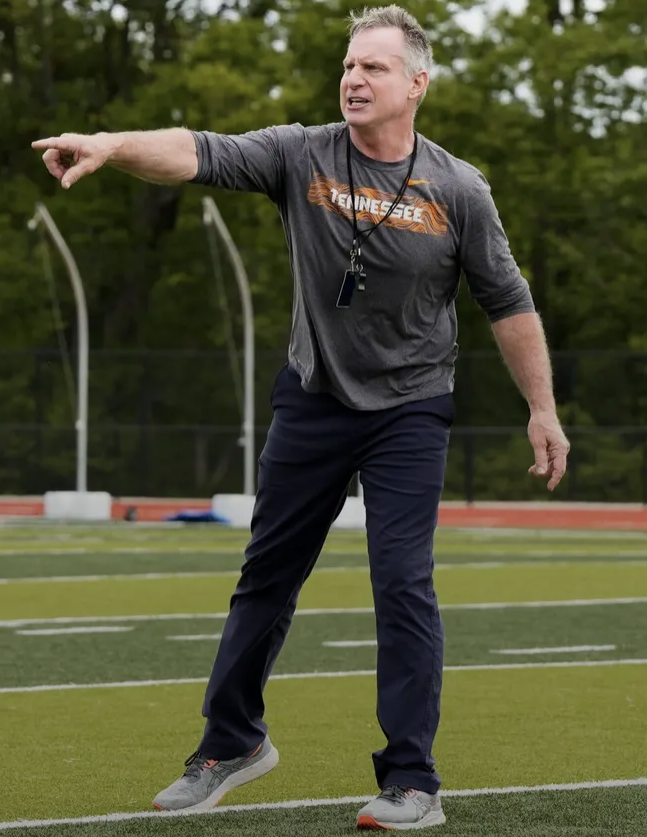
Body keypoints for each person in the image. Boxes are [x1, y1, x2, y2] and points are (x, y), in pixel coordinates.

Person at [32, 4, 570, 829]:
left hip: (409, 408)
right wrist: (109, 146)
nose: (353, 78)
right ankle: (230, 743)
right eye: (348, 65)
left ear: (416, 85)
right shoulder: (299, 152)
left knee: (402, 583)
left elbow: (508, 300)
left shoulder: (457, 188)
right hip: (313, 397)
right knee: (267, 576)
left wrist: (542, 408)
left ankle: (411, 781)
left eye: (373, 67)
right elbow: (197, 150)